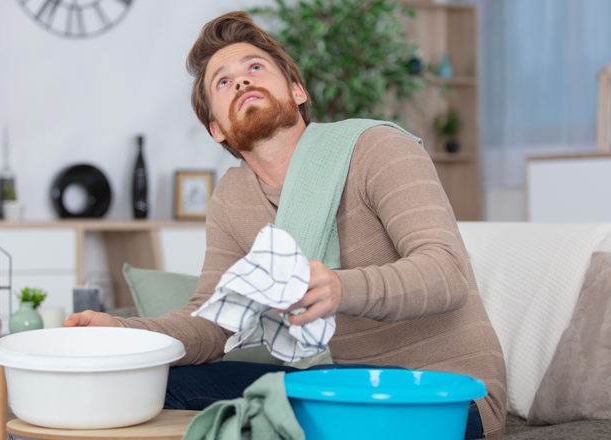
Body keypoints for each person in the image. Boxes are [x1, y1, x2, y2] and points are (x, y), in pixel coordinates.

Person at [64, 11, 506, 438]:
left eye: (255, 66)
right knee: (151, 386)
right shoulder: (231, 199)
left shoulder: (377, 149)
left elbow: (446, 272)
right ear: (216, 128)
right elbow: (213, 325)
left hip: (444, 391)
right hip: (335, 384)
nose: (241, 79)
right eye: (223, 81)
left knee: (282, 409)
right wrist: (124, 333)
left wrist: (340, 287)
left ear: (297, 91)